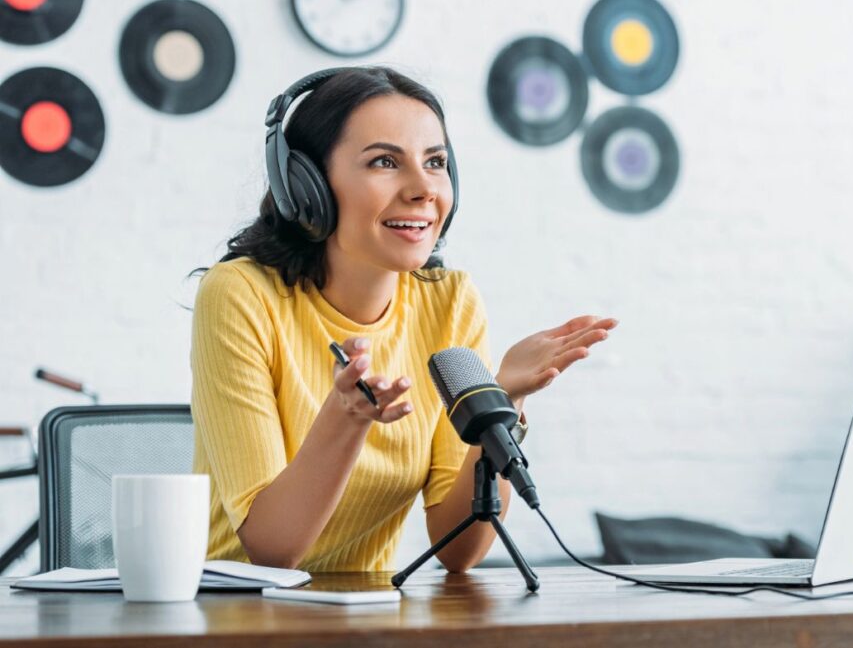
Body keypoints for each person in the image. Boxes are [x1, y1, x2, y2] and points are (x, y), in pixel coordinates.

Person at [190, 66, 616, 573]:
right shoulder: (241, 296)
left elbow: (458, 551)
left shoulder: (449, 301)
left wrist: (504, 398)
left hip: (367, 616)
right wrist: (346, 419)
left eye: (434, 162)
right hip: (235, 616)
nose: (423, 189)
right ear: (306, 186)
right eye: (385, 162)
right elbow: (272, 551)